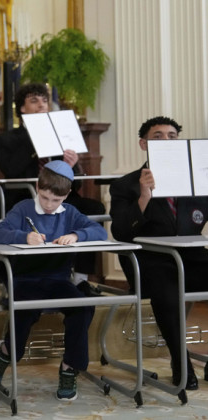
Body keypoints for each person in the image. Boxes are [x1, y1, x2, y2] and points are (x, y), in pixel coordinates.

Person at [0, 161, 107, 401]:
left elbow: (99, 231)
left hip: (57, 280)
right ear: (37, 187)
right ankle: (5, 352)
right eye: (45, 198)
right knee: (24, 311)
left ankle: (69, 367)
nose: (50, 206)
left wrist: (76, 235)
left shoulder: (70, 212)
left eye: (56, 200)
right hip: (24, 280)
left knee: (82, 307)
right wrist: (23, 236)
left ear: (67, 195)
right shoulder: (22, 209)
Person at [110, 116, 208, 391]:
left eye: (172, 136)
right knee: (167, 295)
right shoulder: (125, 185)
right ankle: (181, 363)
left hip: (191, 256)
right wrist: (144, 196)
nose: (166, 140)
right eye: (158, 136)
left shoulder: (196, 178)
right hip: (148, 259)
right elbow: (120, 231)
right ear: (144, 144)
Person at [0, 82, 106, 293]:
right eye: (34, 101)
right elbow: (11, 169)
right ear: (22, 109)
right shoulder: (7, 139)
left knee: (94, 209)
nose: (41, 105)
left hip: (58, 197)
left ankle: (80, 278)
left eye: (44, 101)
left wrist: (71, 166)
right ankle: (17, 281)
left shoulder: (59, 136)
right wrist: (36, 143)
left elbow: (76, 184)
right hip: (24, 196)